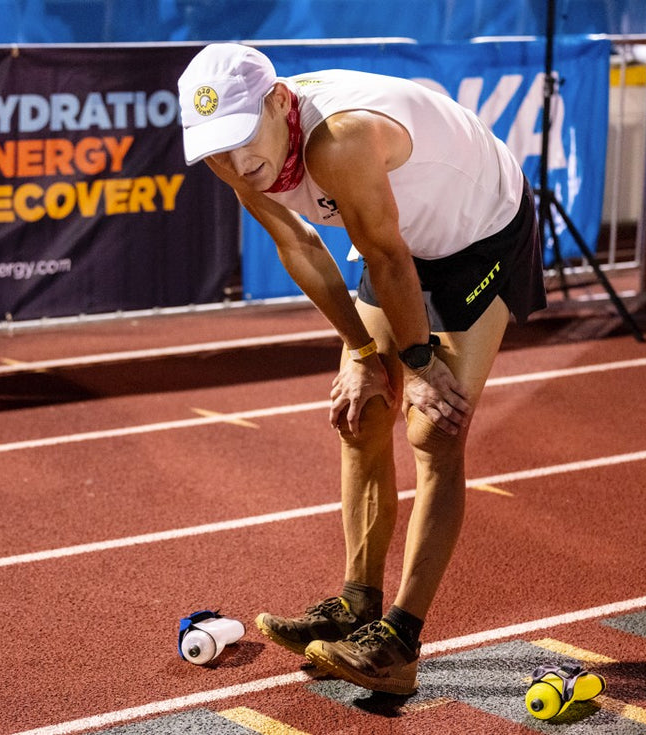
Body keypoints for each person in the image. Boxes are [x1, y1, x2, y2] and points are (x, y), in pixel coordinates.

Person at [177, 43, 546, 695]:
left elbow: (391, 262)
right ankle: (357, 606)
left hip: (480, 229)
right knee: (361, 411)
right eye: (219, 145)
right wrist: (362, 352)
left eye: (242, 138)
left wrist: (419, 361)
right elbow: (299, 243)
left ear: (279, 102)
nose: (237, 163)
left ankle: (399, 639)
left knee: (435, 429)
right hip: (394, 237)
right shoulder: (230, 150)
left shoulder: (340, 140)